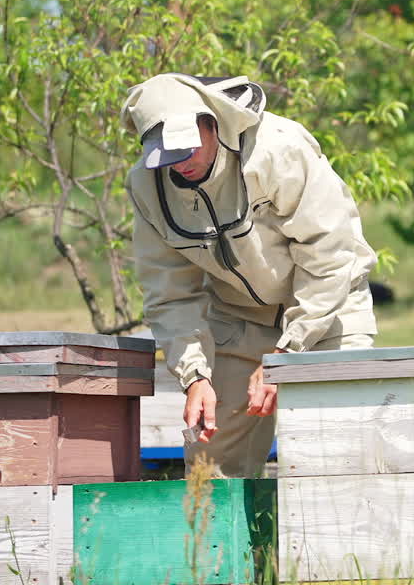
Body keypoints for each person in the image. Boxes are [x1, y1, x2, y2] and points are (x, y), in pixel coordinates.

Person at [122, 73, 377, 477]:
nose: (181, 161)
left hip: (329, 312)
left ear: (213, 122)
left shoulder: (278, 148)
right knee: (211, 463)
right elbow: (169, 293)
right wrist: (194, 377)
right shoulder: (145, 186)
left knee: (339, 455)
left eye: (187, 145)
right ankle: (233, 543)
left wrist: (288, 354)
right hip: (236, 322)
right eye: (167, 153)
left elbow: (328, 254)